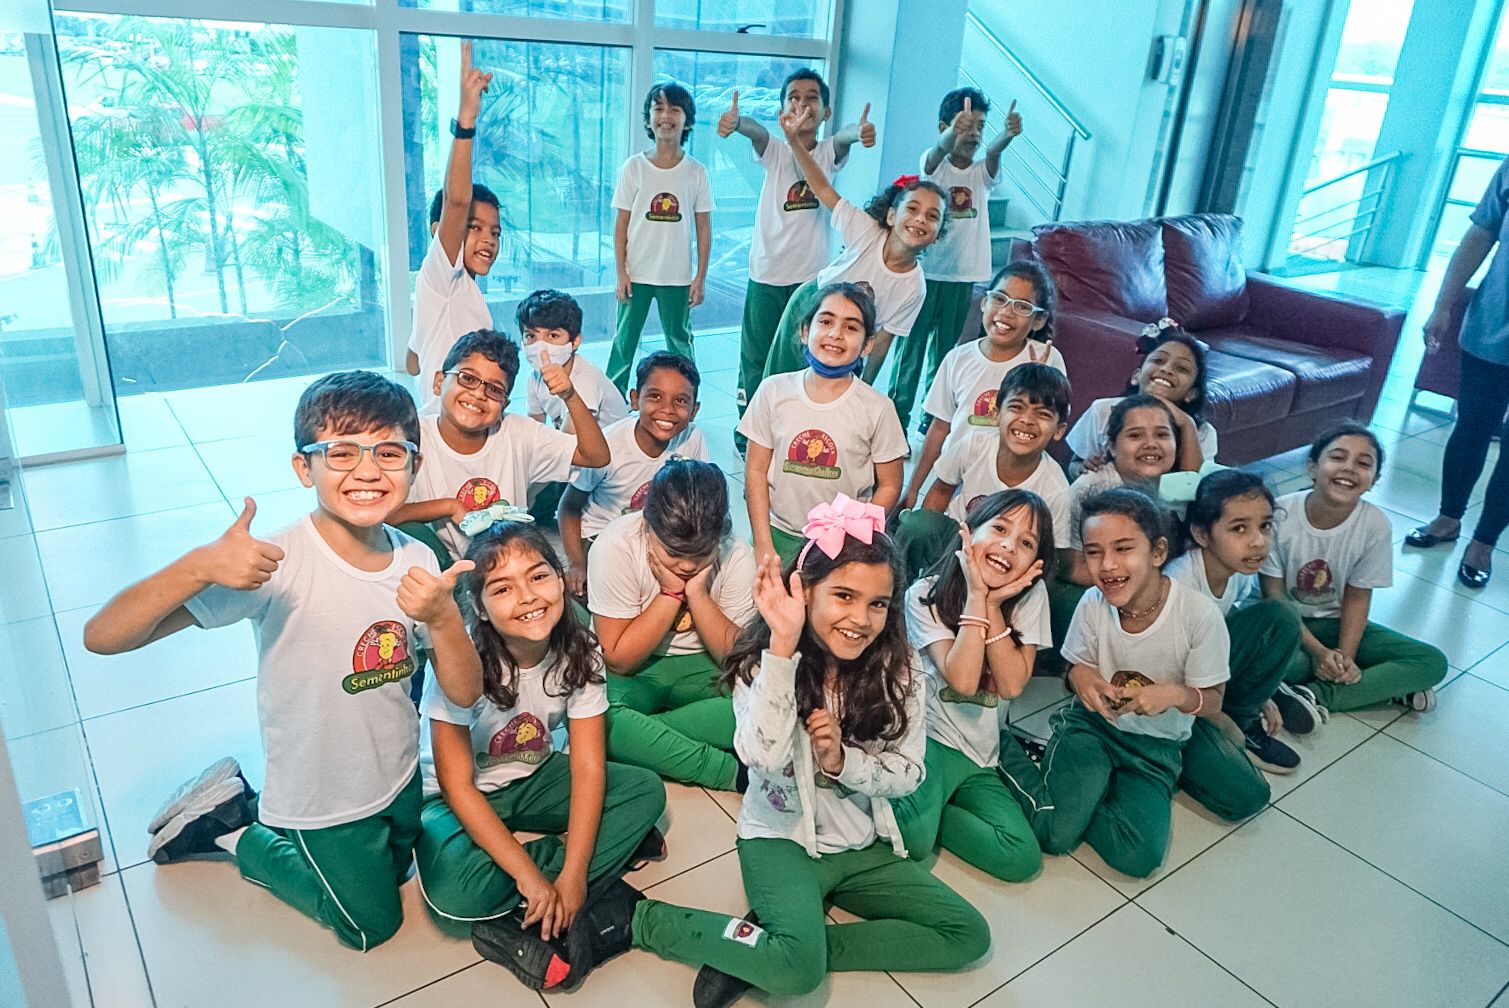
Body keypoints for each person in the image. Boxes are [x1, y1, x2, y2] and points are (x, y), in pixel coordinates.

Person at [83, 371, 484, 951]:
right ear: (304, 468)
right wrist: (197, 567)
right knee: (372, 926)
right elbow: (105, 636)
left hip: (398, 773)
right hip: (321, 795)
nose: (368, 471)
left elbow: (465, 693)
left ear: (414, 465)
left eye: (389, 452)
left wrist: (445, 620)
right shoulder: (275, 562)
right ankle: (236, 830)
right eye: (341, 452)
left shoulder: (418, 557)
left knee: (399, 874)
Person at [626, 498, 991, 1006]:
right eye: (843, 595)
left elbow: (909, 773)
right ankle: (640, 919)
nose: (860, 619)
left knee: (968, 935)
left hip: (861, 843)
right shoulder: (763, 661)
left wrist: (846, 762)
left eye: (878, 603)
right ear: (805, 590)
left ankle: (773, 949)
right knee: (799, 976)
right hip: (780, 838)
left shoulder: (900, 666)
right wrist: (782, 648)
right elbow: (761, 756)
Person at [415, 520, 665, 991]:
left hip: (533, 773)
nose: (528, 596)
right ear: (480, 610)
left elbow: (588, 765)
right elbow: (457, 786)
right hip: (452, 797)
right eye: (503, 588)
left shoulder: (581, 646)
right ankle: (568, 874)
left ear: (560, 577)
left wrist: (573, 875)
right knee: (455, 894)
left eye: (538, 576)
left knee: (645, 792)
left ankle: (558, 883)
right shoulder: (460, 658)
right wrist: (531, 876)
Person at [999, 488, 1265, 880]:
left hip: (1156, 747)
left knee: (1140, 857)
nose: (1107, 565)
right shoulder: (1092, 603)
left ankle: (1084, 797)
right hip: (1093, 727)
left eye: (1124, 549)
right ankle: (1000, 746)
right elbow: (1074, 670)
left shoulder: (1198, 615)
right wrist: (1082, 676)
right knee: (1055, 836)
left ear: (1158, 553)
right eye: (1093, 551)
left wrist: (1173, 695)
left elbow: (1211, 701)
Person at [892, 491, 1049, 882]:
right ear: (968, 531)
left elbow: (1012, 684)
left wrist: (993, 606)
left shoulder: (1032, 598)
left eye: (1026, 543)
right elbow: (961, 680)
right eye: (999, 528)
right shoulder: (924, 593)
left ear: (1035, 563)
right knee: (911, 841)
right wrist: (978, 595)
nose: (1008, 546)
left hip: (981, 754)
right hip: (928, 741)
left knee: (1021, 858)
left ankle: (931, 806)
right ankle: (919, 807)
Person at [717, 69, 875, 431]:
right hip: (766, 273)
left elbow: (846, 137)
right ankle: (748, 430)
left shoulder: (827, 151)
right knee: (756, 356)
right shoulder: (775, 149)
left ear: (826, 112)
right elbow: (757, 133)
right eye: (794, 98)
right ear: (782, 108)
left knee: (800, 354)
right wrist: (739, 122)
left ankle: (790, 423)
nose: (802, 105)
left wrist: (859, 132)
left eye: (812, 99)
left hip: (810, 279)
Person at [588, 461, 755, 792]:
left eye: (701, 554)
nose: (688, 565)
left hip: (704, 666)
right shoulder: (614, 546)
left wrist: (698, 595)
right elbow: (619, 658)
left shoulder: (737, 554)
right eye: (674, 553)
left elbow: (736, 660)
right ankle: (728, 772)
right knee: (599, 719)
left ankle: (642, 740)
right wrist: (669, 594)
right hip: (636, 673)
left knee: (770, 705)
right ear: (648, 526)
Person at [755, 105, 944, 394]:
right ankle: (752, 438)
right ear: (892, 216)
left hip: (850, 334)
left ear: (938, 234)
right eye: (913, 209)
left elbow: (882, 342)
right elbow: (822, 188)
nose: (920, 219)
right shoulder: (867, 229)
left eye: (932, 217)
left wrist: (863, 391)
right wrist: (793, 141)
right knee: (780, 386)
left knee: (828, 398)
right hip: (810, 305)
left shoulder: (914, 287)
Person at [1261, 423, 1447, 716]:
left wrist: (1345, 655)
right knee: (1289, 664)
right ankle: (1379, 685)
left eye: (1363, 463)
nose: (1349, 468)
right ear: (1312, 467)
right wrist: (1320, 652)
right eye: (1337, 457)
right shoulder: (1280, 514)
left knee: (1431, 661)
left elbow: (1358, 597)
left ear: (1374, 480)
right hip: (1287, 624)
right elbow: (1274, 596)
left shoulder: (1375, 525)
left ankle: (1314, 695)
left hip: (1336, 624)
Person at [388, 329, 610, 565]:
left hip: (514, 560)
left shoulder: (518, 433)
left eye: (494, 389)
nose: (478, 394)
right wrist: (448, 506)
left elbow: (596, 456)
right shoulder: (413, 437)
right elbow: (383, 515)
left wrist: (570, 396)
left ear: (505, 404)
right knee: (411, 532)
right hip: (451, 568)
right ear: (439, 382)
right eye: (468, 378)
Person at [740, 283, 910, 568]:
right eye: (826, 321)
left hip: (841, 547)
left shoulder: (878, 408)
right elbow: (755, 470)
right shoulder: (773, 391)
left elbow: (891, 484)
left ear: (867, 344)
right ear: (805, 332)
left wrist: (856, 533)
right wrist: (763, 543)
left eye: (851, 327)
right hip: (777, 533)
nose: (836, 334)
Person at [889, 88, 1023, 430]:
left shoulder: (982, 173)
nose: (973, 134)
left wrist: (1005, 136)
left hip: (962, 279)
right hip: (926, 274)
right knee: (910, 352)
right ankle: (895, 419)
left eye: (979, 126)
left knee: (945, 355)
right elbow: (936, 153)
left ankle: (929, 419)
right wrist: (954, 133)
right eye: (965, 126)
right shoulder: (934, 168)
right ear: (944, 126)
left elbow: (992, 154)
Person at [1408, 153, 1509, 588]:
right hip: (1493, 326)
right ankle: (1448, 519)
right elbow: (1480, 233)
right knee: (1470, 428)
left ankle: (1484, 542)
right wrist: (1443, 303)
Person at [1168, 469, 1304, 774]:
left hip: (1207, 673)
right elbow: (1170, 672)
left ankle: (1248, 714)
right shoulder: (1179, 585)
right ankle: (1233, 718)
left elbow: (1225, 629)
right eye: (1239, 529)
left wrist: (1260, 696)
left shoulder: (1237, 573)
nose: (1258, 541)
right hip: (1175, 688)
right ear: (1202, 534)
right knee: (1241, 790)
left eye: (1265, 526)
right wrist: (1221, 720)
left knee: (1281, 618)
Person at [901, 261, 1065, 510]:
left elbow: (1048, 424)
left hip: (1008, 482)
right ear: (983, 302)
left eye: (1022, 306)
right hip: (953, 477)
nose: (1007, 313)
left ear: (1038, 320)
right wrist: (913, 490)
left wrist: (1037, 378)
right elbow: (939, 427)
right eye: (999, 299)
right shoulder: (958, 358)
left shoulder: (1047, 358)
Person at [897, 362, 1071, 582]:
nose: (1027, 420)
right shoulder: (974, 445)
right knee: (918, 525)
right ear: (996, 414)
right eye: (1016, 407)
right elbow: (941, 491)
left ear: (1059, 430)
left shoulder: (1056, 490)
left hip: (1004, 560)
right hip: (957, 538)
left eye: (1043, 414)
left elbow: (1050, 558)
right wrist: (928, 531)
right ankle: (898, 590)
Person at [559, 351, 708, 597]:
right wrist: (577, 563)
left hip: (657, 532)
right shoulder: (607, 447)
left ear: (694, 410)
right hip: (601, 535)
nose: (667, 410)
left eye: (681, 401)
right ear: (635, 399)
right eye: (655, 396)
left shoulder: (693, 437)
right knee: (629, 593)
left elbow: (699, 498)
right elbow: (569, 507)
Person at [407, 42, 499, 415]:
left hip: (467, 420)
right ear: (438, 230)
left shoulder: (459, 291)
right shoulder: (441, 275)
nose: (488, 240)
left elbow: (412, 360)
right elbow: (457, 202)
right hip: (443, 430)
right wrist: (466, 122)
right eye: (474, 228)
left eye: (495, 232)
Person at [607, 81, 714, 394]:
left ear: (687, 120)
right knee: (624, 341)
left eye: (675, 109)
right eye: (659, 108)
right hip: (637, 273)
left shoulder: (696, 172)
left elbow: (704, 228)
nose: (666, 116)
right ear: (648, 119)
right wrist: (621, 272)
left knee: (680, 343)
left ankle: (686, 397)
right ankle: (612, 399)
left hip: (677, 277)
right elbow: (621, 224)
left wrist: (700, 277)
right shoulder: (634, 167)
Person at [1066, 319, 1214, 476]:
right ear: (1136, 376)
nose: (1166, 369)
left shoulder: (1203, 432)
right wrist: (1082, 469)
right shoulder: (1103, 411)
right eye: (1158, 360)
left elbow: (1192, 487)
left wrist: (1187, 425)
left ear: (1191, 393)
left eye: (1182, 368)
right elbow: (1074, 464)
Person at [520, 289, 628, 434]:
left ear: (575, 341)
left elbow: (568, 445)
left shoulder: (585, 380)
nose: (541, 347)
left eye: (552, 335)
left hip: (614, 452)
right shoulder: (535, 379)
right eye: (530, 336)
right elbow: (533, 432)